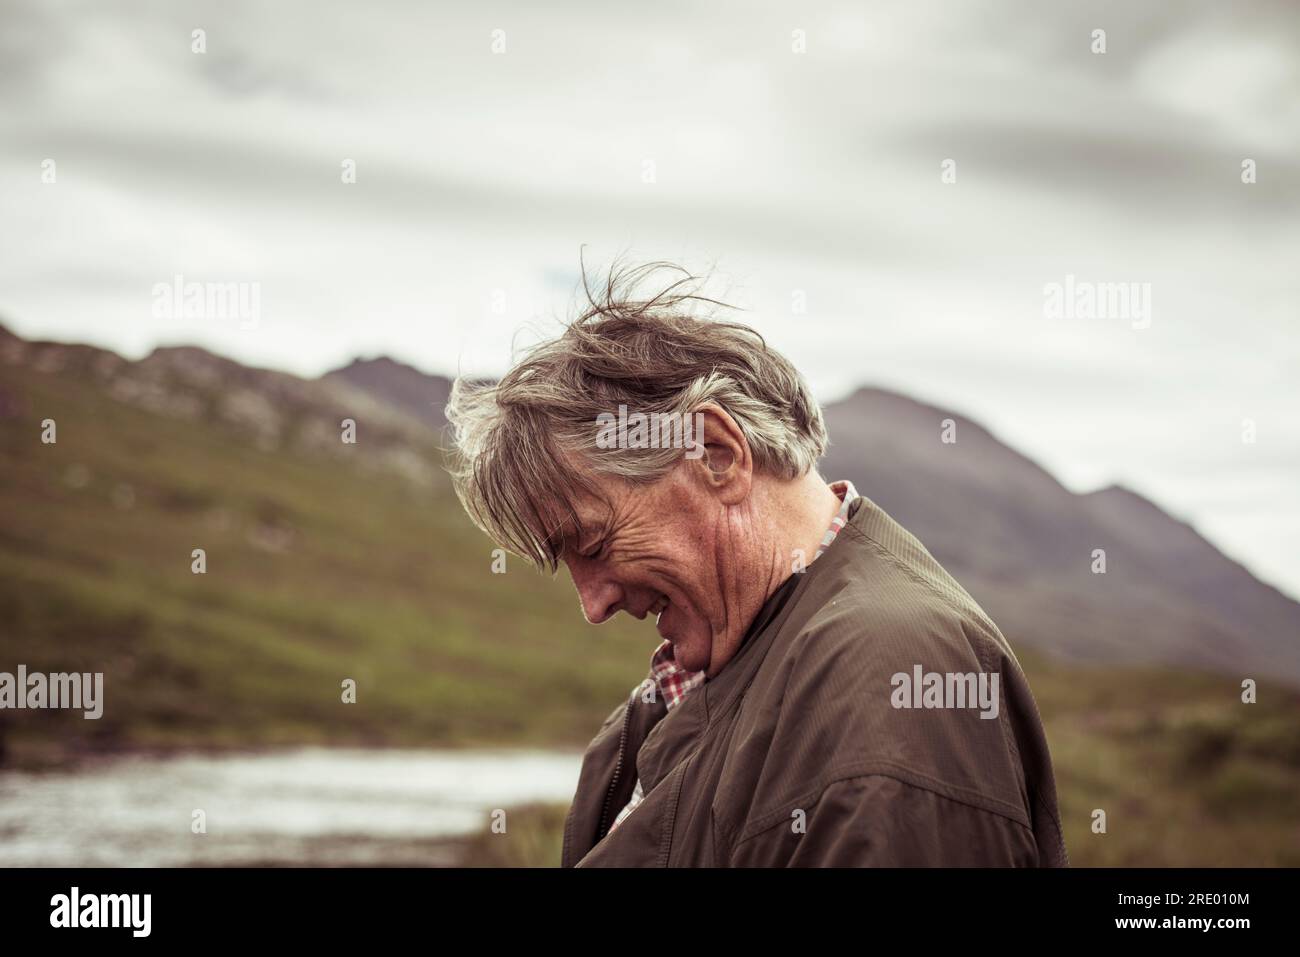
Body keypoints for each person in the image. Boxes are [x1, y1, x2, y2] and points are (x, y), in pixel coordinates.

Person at [446, 262, 1068, 867]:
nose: (594, 605)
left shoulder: (891, 678)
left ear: (716, 453)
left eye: (594, 542)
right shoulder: (722, 671)